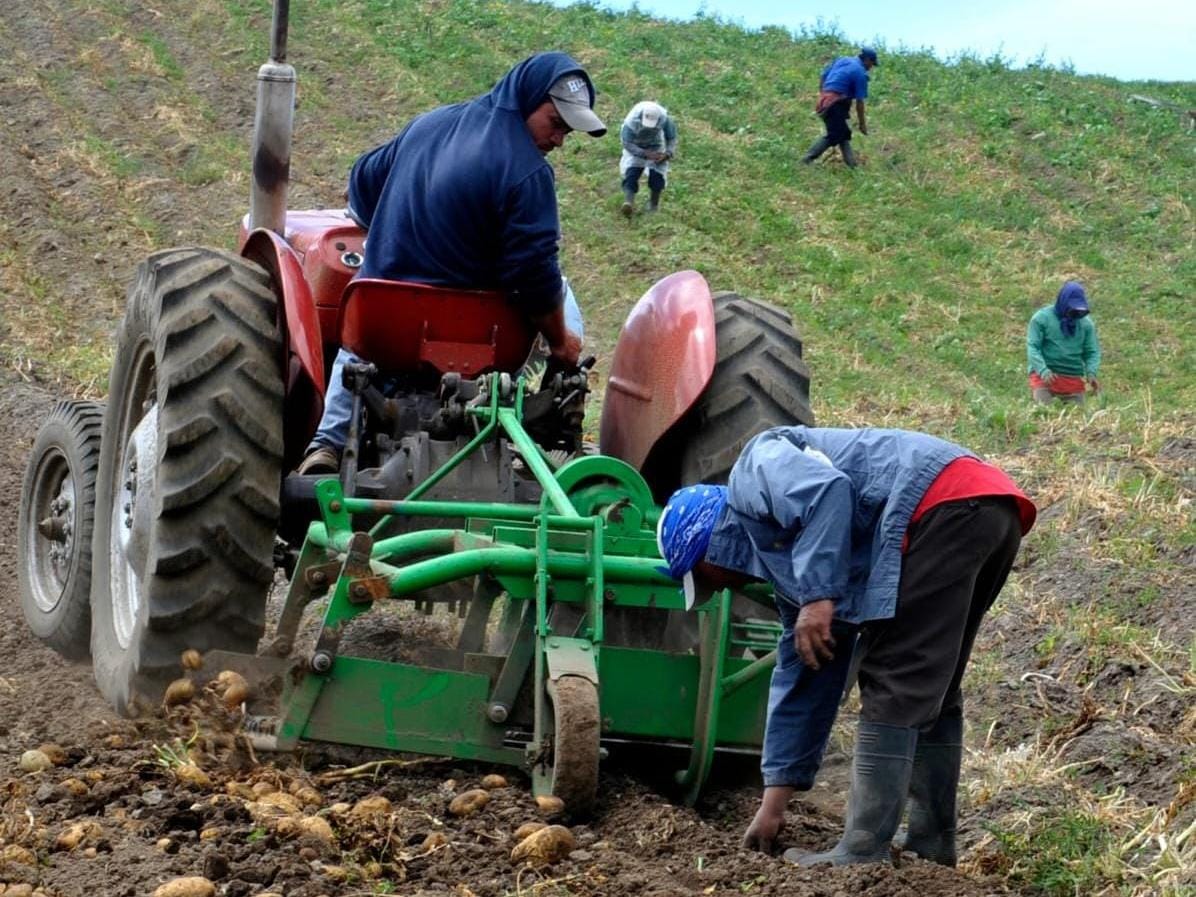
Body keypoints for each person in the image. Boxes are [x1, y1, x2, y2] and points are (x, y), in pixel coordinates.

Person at [656, 426, 1036, 867]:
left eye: (702, 577)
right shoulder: (791, 568)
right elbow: (807, 676)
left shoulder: (754, 469)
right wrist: (773, 805)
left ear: (707, 547)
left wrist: (819, 597)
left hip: (942, 505)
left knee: (893, 676)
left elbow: (827, 490)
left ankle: (861, 851)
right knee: (934, 687)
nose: (715, 589)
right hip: (987, 510)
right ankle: (932, 847)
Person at [299, 52, 606, 474]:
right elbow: (533, 274)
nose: (559, 140)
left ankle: (327, 443)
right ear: (526, 99)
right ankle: (534, 432)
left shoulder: (429, 126)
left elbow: (364, 181)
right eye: (556, 124)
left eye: (567, 131)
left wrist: (394, 221)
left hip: (388, 324)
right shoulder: (527, 172)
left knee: (358, 336)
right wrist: (560, 342)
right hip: (480, 334)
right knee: (561, 295)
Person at [1027, 281, 1101, 404]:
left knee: (1076, 418)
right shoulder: (1041, 319)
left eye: (1078, 311)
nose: (1075, 314)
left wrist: (1091, 373)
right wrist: (1043, 370)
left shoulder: (1086, 325)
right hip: (1045, 379)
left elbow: (1092, 352)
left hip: (1072, 380)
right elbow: (1033, 347)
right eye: (1071, 309)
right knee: (1045, 413)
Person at [802, 47, 877, 168]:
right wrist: (862, 124)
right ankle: (806, 160)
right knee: (834, 135)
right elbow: (859, 103)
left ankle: (852, 166)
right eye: (871, 64)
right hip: (835, 105)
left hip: (825, 101)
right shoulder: (860, 73)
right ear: (867, 60)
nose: (871, 67)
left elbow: (823, 76)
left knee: (843, 133)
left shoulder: (843, 60)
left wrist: (823, 95)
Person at [619, 101, 677, 217]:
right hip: (635, 145)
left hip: (656, 144)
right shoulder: (631, 121)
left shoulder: (665, 119)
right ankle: (628, 202)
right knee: (632, 172)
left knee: (657, 175)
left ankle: (653, 205)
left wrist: (667, 153)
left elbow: (671, 138)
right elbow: (627, 143)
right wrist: (643, 153)